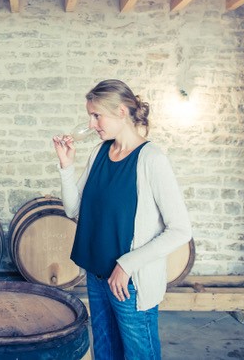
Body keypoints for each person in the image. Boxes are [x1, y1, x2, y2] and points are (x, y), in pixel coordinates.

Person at [52, 79, 192, 360]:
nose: (91, 124)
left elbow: (180, 230)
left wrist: (127, 265)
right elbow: (72, 209)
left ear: (120, 112)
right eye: (90, 116)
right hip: (97, 275)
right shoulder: (99, 152)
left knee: (139, 355)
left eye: (96, 116)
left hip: (129, 282)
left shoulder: (152, 159)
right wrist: (66, 166)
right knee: (106, 353)